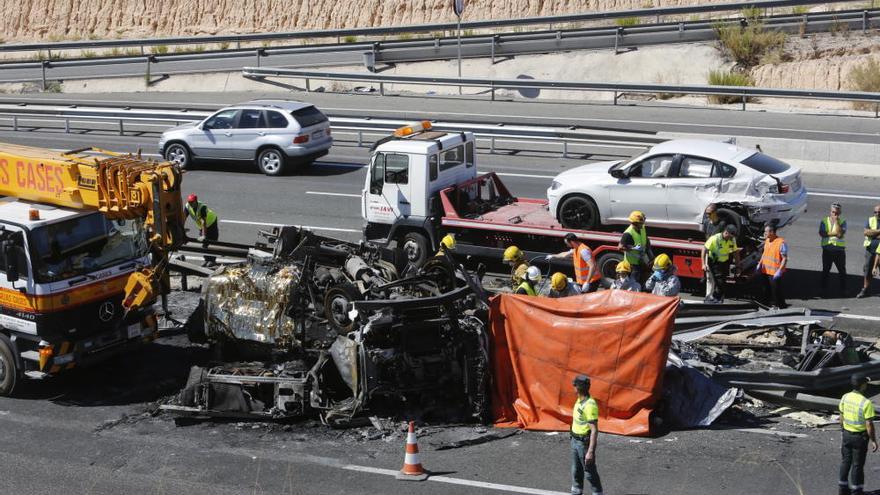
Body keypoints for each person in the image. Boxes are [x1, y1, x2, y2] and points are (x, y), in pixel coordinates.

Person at [838, 373, 877, 495]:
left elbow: (841, 416)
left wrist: (843, 430)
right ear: (863, 385)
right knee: (857, 465)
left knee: (845, 461)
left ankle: (843, 490)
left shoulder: (845, 397)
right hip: (859, 438)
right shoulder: (866, 403)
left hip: (846, 435)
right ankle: (857, 491)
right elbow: (869, 424)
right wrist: (874, 440)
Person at [570, 374, 603, 495]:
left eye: (575, 384)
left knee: (589, 472)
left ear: (578, 387)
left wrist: (590, 452)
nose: (573, 386)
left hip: (583, 444)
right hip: (575, 440)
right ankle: (576, 492)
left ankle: (597, 493)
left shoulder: (589, 405)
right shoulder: (580, 399)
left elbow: (594, 430)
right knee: (576, 471)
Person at [701, 224, 741, 303]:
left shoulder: (732, 239)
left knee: (723, 281)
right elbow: (704, 250)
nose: (732, 238)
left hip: (725, 262)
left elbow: (735, 252)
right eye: (731, 235)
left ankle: (718, 299)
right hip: (714, 262)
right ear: (726, 232)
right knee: (719, 281)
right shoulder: (714, 238)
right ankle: (712, 298)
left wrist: (738, 266)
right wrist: (703, 264)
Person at [757, 224, 788, 309]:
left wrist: (779, 271)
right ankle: (766, 304)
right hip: (765, 270)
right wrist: (760, 263)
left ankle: (781, 307)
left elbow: (785, 259)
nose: (764, 233)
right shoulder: (767, 240)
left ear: (772, 232)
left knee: (776, 291)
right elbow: (764, 253)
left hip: (774, 272)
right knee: (765, 289)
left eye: (766, 231)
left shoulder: (781, 243)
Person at [820, 203, 847, 296]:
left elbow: (840, 235)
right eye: (833, 212)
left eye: (837, 213)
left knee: (842, 271)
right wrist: (834, 233)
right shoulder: (824, 220)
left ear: (840, 213)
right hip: (827, 250)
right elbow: (822, 233)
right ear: (830, 211)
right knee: (825, 270)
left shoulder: (842, 221)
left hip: (839, 251)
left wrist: (836, 222)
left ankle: (843, 289)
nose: (835, 214)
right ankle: (823, 289)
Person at [618, 211, 653, 284]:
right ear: (635, 223)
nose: (643, 224)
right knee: (633, 283)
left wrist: (650, 255)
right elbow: (620, 247)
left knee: (642, 280)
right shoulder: (628, 234)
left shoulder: (642, 228)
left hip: (641, 261)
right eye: (641, 223)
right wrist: (632, 248)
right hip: (632, 265)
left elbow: (646, 239)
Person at [185, 194, 219, 267]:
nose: (190, 204)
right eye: (189, 202)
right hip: (202, 225)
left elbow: (204, 222)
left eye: (192, 202)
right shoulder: (187, 206)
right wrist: (181, 228)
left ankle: (212, 260)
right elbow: (183, 217)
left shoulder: (202, 207)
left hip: (211, 222)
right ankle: (206, 259)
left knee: (211, 241)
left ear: (196, 201)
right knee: (204, 243)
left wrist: (204, 235)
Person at [857, 205, 880, 299]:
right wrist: (879, 231)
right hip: (870, 250)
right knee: (867, 269)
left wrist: (873, 233)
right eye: (875, 212)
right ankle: (865, 289)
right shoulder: (870, 220)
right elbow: (866, 232)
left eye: (879, 212)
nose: (877, 214)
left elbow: (870, 233)